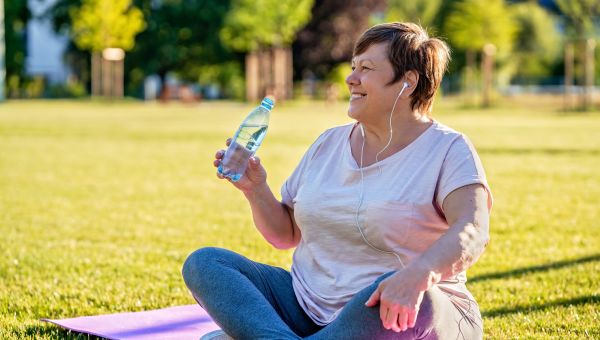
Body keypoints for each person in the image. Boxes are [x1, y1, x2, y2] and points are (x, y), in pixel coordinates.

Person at [182, 22, 492, 339]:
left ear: (407, 82)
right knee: (207, 264)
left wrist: (418, 274)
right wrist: (255, 188)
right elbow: (285, 235)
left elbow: (473, 230)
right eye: (353, 67)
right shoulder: (328, 144)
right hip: (306, 307)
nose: (350, 78)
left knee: (414, 298)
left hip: (396, 314)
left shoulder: (448, 149)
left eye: (366, 68)